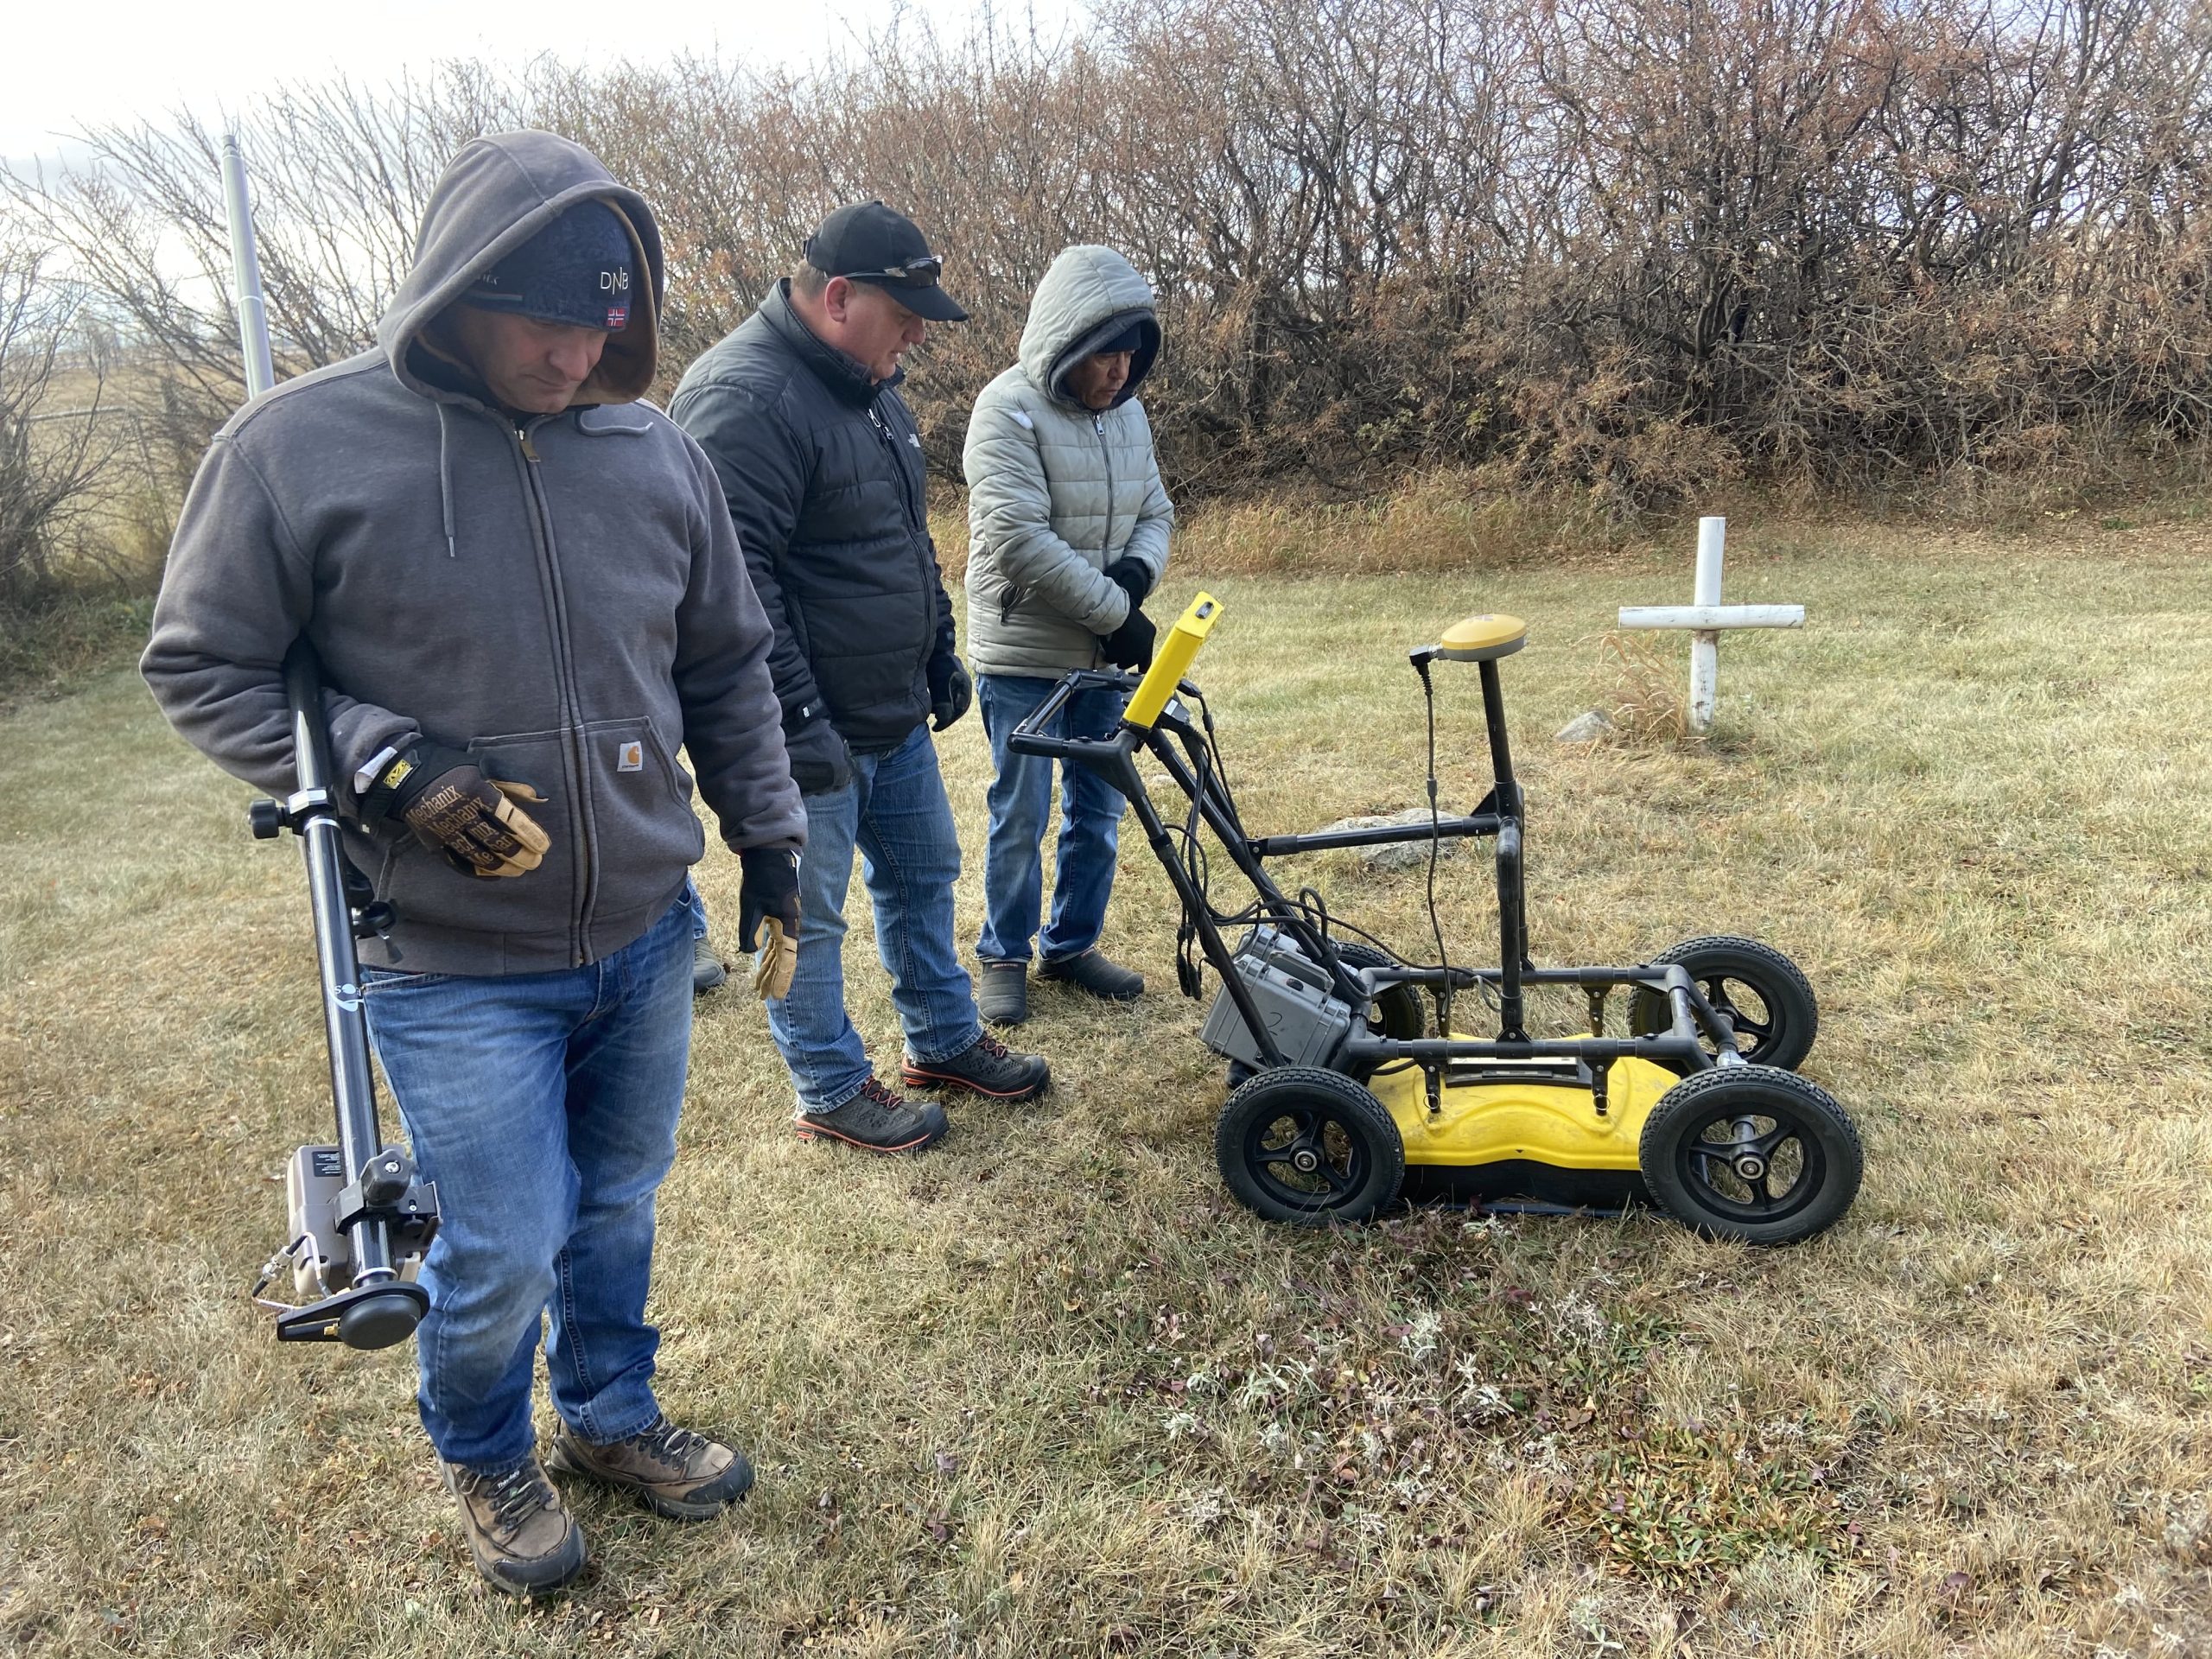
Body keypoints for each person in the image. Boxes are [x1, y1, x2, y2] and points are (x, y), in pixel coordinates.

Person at [141, 131, 804, 1598]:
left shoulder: (655, 453)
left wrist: (771, 836)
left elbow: (729, 666)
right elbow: (205, 667)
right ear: (453, 292)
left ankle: (610, 1417)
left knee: (617, 1202)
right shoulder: (292, 450)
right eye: (549, 323)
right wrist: (394, 767)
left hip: (641, 925)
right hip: (446, 956)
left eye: (604, 325)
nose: (580, 355)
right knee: (501, 1242)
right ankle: (486, 1449)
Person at [670, 201, 1051, 1154]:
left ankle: (942, 1037)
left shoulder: (872, 386)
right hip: (805, 728)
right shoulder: (740, 399)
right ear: (838, 297)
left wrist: (937, 645)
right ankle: (828, 1085)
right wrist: (798, 720)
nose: (919, 334)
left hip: (891, 714)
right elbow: (731, 586)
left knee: (924, 877)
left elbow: (903, 536)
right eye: (906, 312)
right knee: (802, 921)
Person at [961, 245, 1173, 1026]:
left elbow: (1157, 511)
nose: (1119, 371)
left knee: (1101, 807)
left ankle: (1072, 945)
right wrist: (1119, 614)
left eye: (1130, 354)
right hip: (1026, 654)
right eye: (1104, 354)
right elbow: (1019, 539)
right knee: (1020, 812)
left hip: (1100, 659)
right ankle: (1003, 955)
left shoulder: (1130, 415)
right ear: (1067, 343)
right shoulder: (1005, 409)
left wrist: (1137, 580)